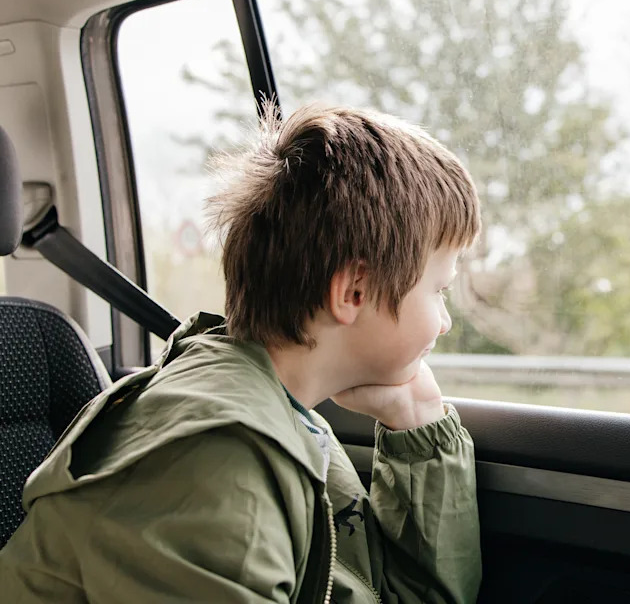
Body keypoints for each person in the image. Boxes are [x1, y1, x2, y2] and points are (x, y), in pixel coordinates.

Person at [0, 104, 483, 603]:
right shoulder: (214, 465)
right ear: (353, 291)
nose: (445, 321)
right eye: (439, 291)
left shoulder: (289, 420)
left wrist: (417, 419)